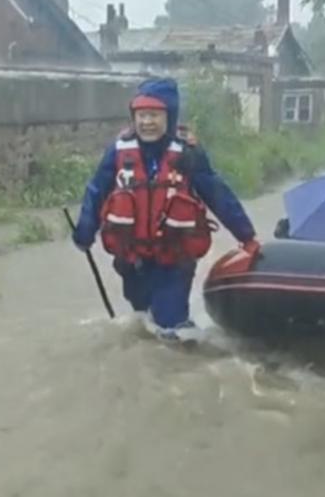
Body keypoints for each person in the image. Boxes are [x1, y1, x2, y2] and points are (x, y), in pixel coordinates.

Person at [72, 77, 259, 333]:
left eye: (154, 115)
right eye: (141, 115)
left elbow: (218, 195)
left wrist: (246, 235)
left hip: (174, 259)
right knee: (142, 318)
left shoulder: (189, 153)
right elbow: (97, 191)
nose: (146, 122)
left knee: (170, 324)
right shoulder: (118, 151)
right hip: (132, 258)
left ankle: (181, 345)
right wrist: (84, 231)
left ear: (169, 117)